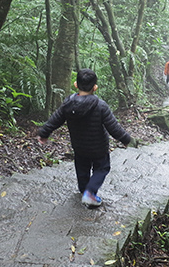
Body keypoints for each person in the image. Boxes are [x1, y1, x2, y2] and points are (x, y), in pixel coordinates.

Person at [37, 69, 133, 208]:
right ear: (95, 87)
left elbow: (54, 120)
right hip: (99, 147)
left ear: (76, 84)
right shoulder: (101, 106)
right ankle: (90, 193)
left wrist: (44, 133)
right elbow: (114, 128)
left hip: (79, 146)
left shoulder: (68, 104)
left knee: (82, 168)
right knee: (102, 168)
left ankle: (84, 190)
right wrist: (127, 140)